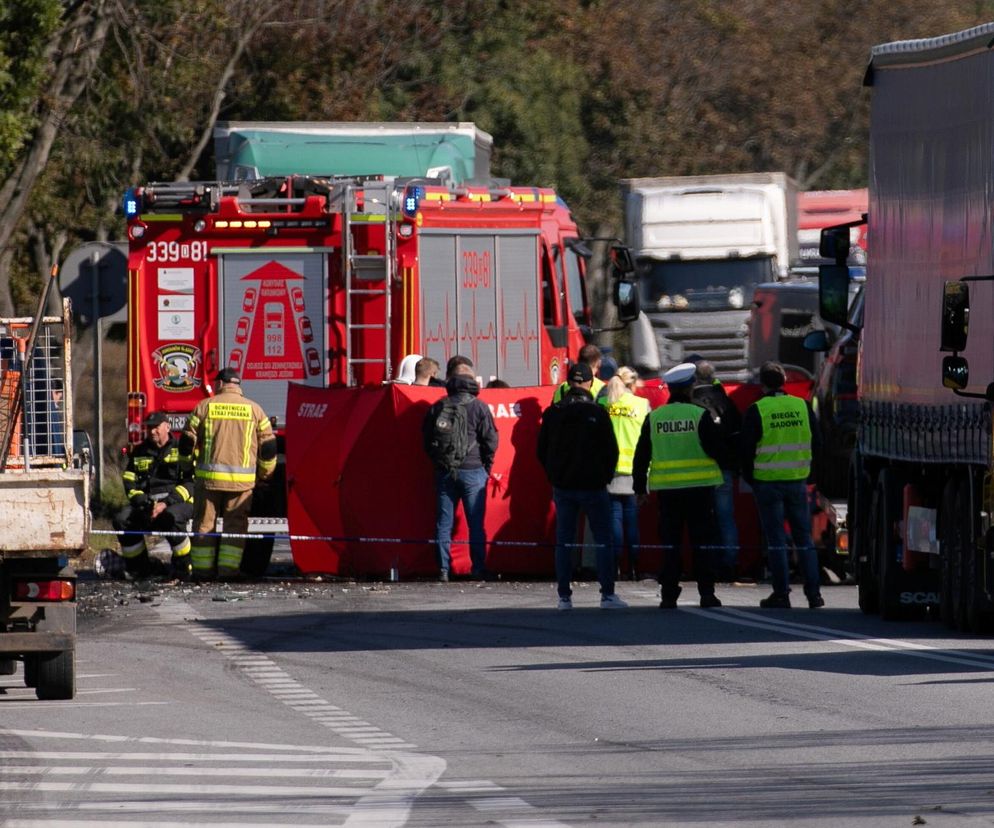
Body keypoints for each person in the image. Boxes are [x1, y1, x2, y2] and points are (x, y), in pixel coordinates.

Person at [537, 361, 628, 610]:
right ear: (590, 383)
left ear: (568, 383)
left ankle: (564, 597)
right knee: (602, 540)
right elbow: (612, 451)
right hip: (593, 486)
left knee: (564, 541)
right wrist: (604, 477)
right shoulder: (597, 413)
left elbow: (541, 450)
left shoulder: (553, 412)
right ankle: (607, 594)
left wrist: (554, 476)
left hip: (563, 486)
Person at [633, 362, 724, 609]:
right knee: (702, 543)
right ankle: (707, 593)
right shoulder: (700, 415)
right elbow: (717, 449)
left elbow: (642, 455)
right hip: (700, 491)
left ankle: (669, 595)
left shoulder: (655, 417)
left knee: (671, 544)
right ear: (690, 388)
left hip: (668, 493)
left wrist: (640, 489)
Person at [741, 361, 824, 609]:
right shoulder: (802, 406)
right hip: (797, 481)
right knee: (804, 539)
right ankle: (814, 595)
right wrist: (811, 475)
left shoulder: (757, 409)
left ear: (763, 384)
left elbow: (745, 450)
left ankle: (781, 594)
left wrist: (751, 479)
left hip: (767, 484)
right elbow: (818, 442)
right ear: (784, 380)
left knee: (776, 540)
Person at [180, 368, 277, 580]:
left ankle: (203, 572)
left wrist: (186, 467)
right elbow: (269, 448)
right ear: (238, 385)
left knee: (205, 526)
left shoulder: (204, 407)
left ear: (220, 384)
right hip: (242, 485)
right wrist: (264, 475)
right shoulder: (255, 410)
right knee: (235, 528)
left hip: (208, 482)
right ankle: (228, 572)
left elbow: (187, 442)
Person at [422, 359, 498, 581]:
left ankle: (443, 569)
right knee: (476, 524)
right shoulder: (480, 407)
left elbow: (426, 440)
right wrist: (486, 467)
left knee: (443, 523)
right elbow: (491, 441)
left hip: (445, 471)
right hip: (474, 471)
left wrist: (439, 462)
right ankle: (478, 568)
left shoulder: (438, 406)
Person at [114, 411, 194, 579]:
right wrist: (143, 502)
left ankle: (183, 567)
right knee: (122, 519)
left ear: (167, 426)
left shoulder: (181, 450)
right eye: (149, 428)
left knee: (170, 518)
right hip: (148, 502)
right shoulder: (139, 451)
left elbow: (190, 482)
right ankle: (140, 568)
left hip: (177, 501)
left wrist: (166, 503)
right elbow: (129, 480)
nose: (152, 432)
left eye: (156, 427)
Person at [690, 359, 742, 579]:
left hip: (699, 470)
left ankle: (706, 565)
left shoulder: (692, 403)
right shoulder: (726, 401)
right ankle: (729, 563)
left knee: (702, 519)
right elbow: (737, 434)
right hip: (724, 469)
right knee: (725, 517)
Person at [602, 367, 649, 580]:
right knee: (632, 520)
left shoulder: (604, 404)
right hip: (634, 471)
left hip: (609, 471)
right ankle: (634, 566)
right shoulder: (641, 404)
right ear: (631, 385)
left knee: (614, 518)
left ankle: (615, 566)